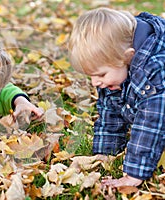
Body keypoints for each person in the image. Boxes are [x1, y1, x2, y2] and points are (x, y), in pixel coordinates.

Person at [68, 7, 165, 187]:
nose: (95, 82)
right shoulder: (114, 73)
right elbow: (110, 112)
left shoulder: (154, 71)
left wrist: (133, 174)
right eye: (91, 76)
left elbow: (150, 123)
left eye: (101, 75)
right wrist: (105, 152)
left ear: (128, 56)